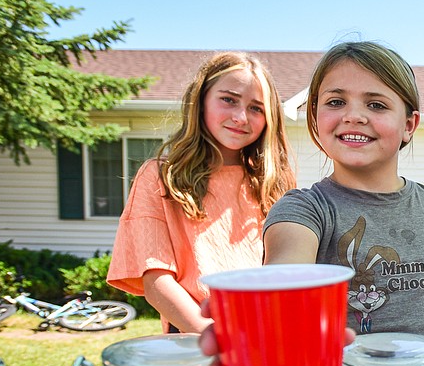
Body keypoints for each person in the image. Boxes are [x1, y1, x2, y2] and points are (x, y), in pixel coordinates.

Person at [259, 40, 424, 366]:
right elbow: (284, 278)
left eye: (376, 105)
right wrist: (263, 313)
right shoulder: (305, 209)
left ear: (409, 124)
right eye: (336, 102)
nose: (353, 116)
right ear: (315, 116)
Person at [108, 52, 295, 333]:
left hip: (267, 332)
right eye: (229, 100)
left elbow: (289, 273)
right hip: (194, 335)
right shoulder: (161, 177)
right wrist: (213, 337)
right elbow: (155, 279)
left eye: (256, 108)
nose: (241, 117)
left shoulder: (275, 181)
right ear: (201, 101)